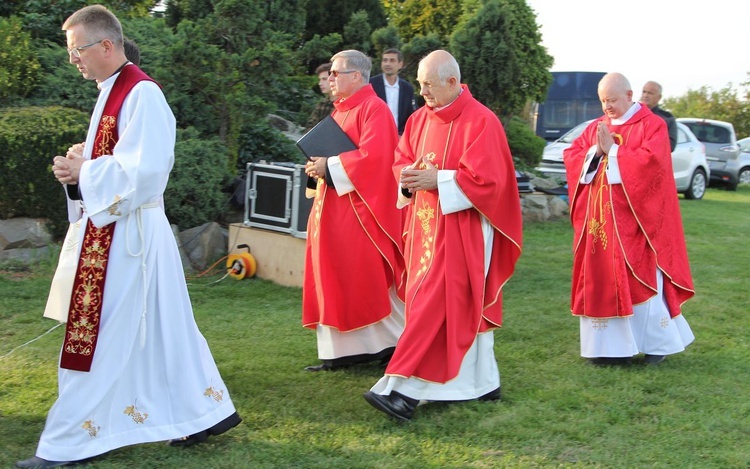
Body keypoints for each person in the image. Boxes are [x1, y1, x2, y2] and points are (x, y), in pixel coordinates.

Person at [16, 6, 240, 468]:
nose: (72, 59)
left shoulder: (142, 94)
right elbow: (119, 160)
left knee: (97, 335)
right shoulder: (110, 92)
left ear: (105, 46)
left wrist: (87, 171)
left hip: (130, 237)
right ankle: (203, 413)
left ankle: (68, 441)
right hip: (122, 232)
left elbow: (149, 171)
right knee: (165, 327)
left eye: (76, 49)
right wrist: (77, 174)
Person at [363, 50, 523, 422]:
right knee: (434, 304)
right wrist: (408, 177)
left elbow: (492, 183)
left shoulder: (482, 121)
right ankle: (483, 381)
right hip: (423, 228)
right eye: (420, 85)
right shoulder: (418, 120)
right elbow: (401, 159)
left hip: (463, 229)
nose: (423, 94)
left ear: (453, 82)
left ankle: (404, 391)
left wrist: (441, 179)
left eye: (429, 86)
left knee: (441, 304)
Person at [563, 72, 695, 367]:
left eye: (612, 100)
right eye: (602, 101)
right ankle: (606, 350)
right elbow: (572, 155)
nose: (607, 107)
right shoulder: (599, 127)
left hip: (636, 224)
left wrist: (615, 152)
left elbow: (654, 164)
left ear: (629, 95)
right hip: (599, 224)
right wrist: (595, 152)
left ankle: (656, 345)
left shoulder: (652, 125)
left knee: (640, 280)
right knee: (600, 282)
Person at [302, 50, 405, 372]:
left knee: (361, 276)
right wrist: (316, 166)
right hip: (332, 205)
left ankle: (389, 345)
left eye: (336, 72)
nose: (330, 78)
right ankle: (338, 353)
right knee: (330, 275)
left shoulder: (375, 110)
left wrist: (329, 164)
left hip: (361, 214)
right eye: (331, 73)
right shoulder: (340, 112)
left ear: (357, 76)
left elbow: (376, 158)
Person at [370, 48, 416, 135]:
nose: (387, 64)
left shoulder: (407, 88)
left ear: (400, 64)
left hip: (399, 137)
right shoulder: (371, 85)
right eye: (385, 60)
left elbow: (411, 115)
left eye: (392, 60)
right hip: (376, 136)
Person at [641, 80, 677, 151]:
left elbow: (671, 145)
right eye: (644, 92)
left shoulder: (667, 118)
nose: (646, 95)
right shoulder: (632, 113)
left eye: (650, 93)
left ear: (659, 97)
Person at [304, 62, 335, 132]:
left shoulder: (347, 105)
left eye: (324, 79)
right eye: (320, 80)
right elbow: (310, 127)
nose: (320, 83)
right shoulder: (322, 104)